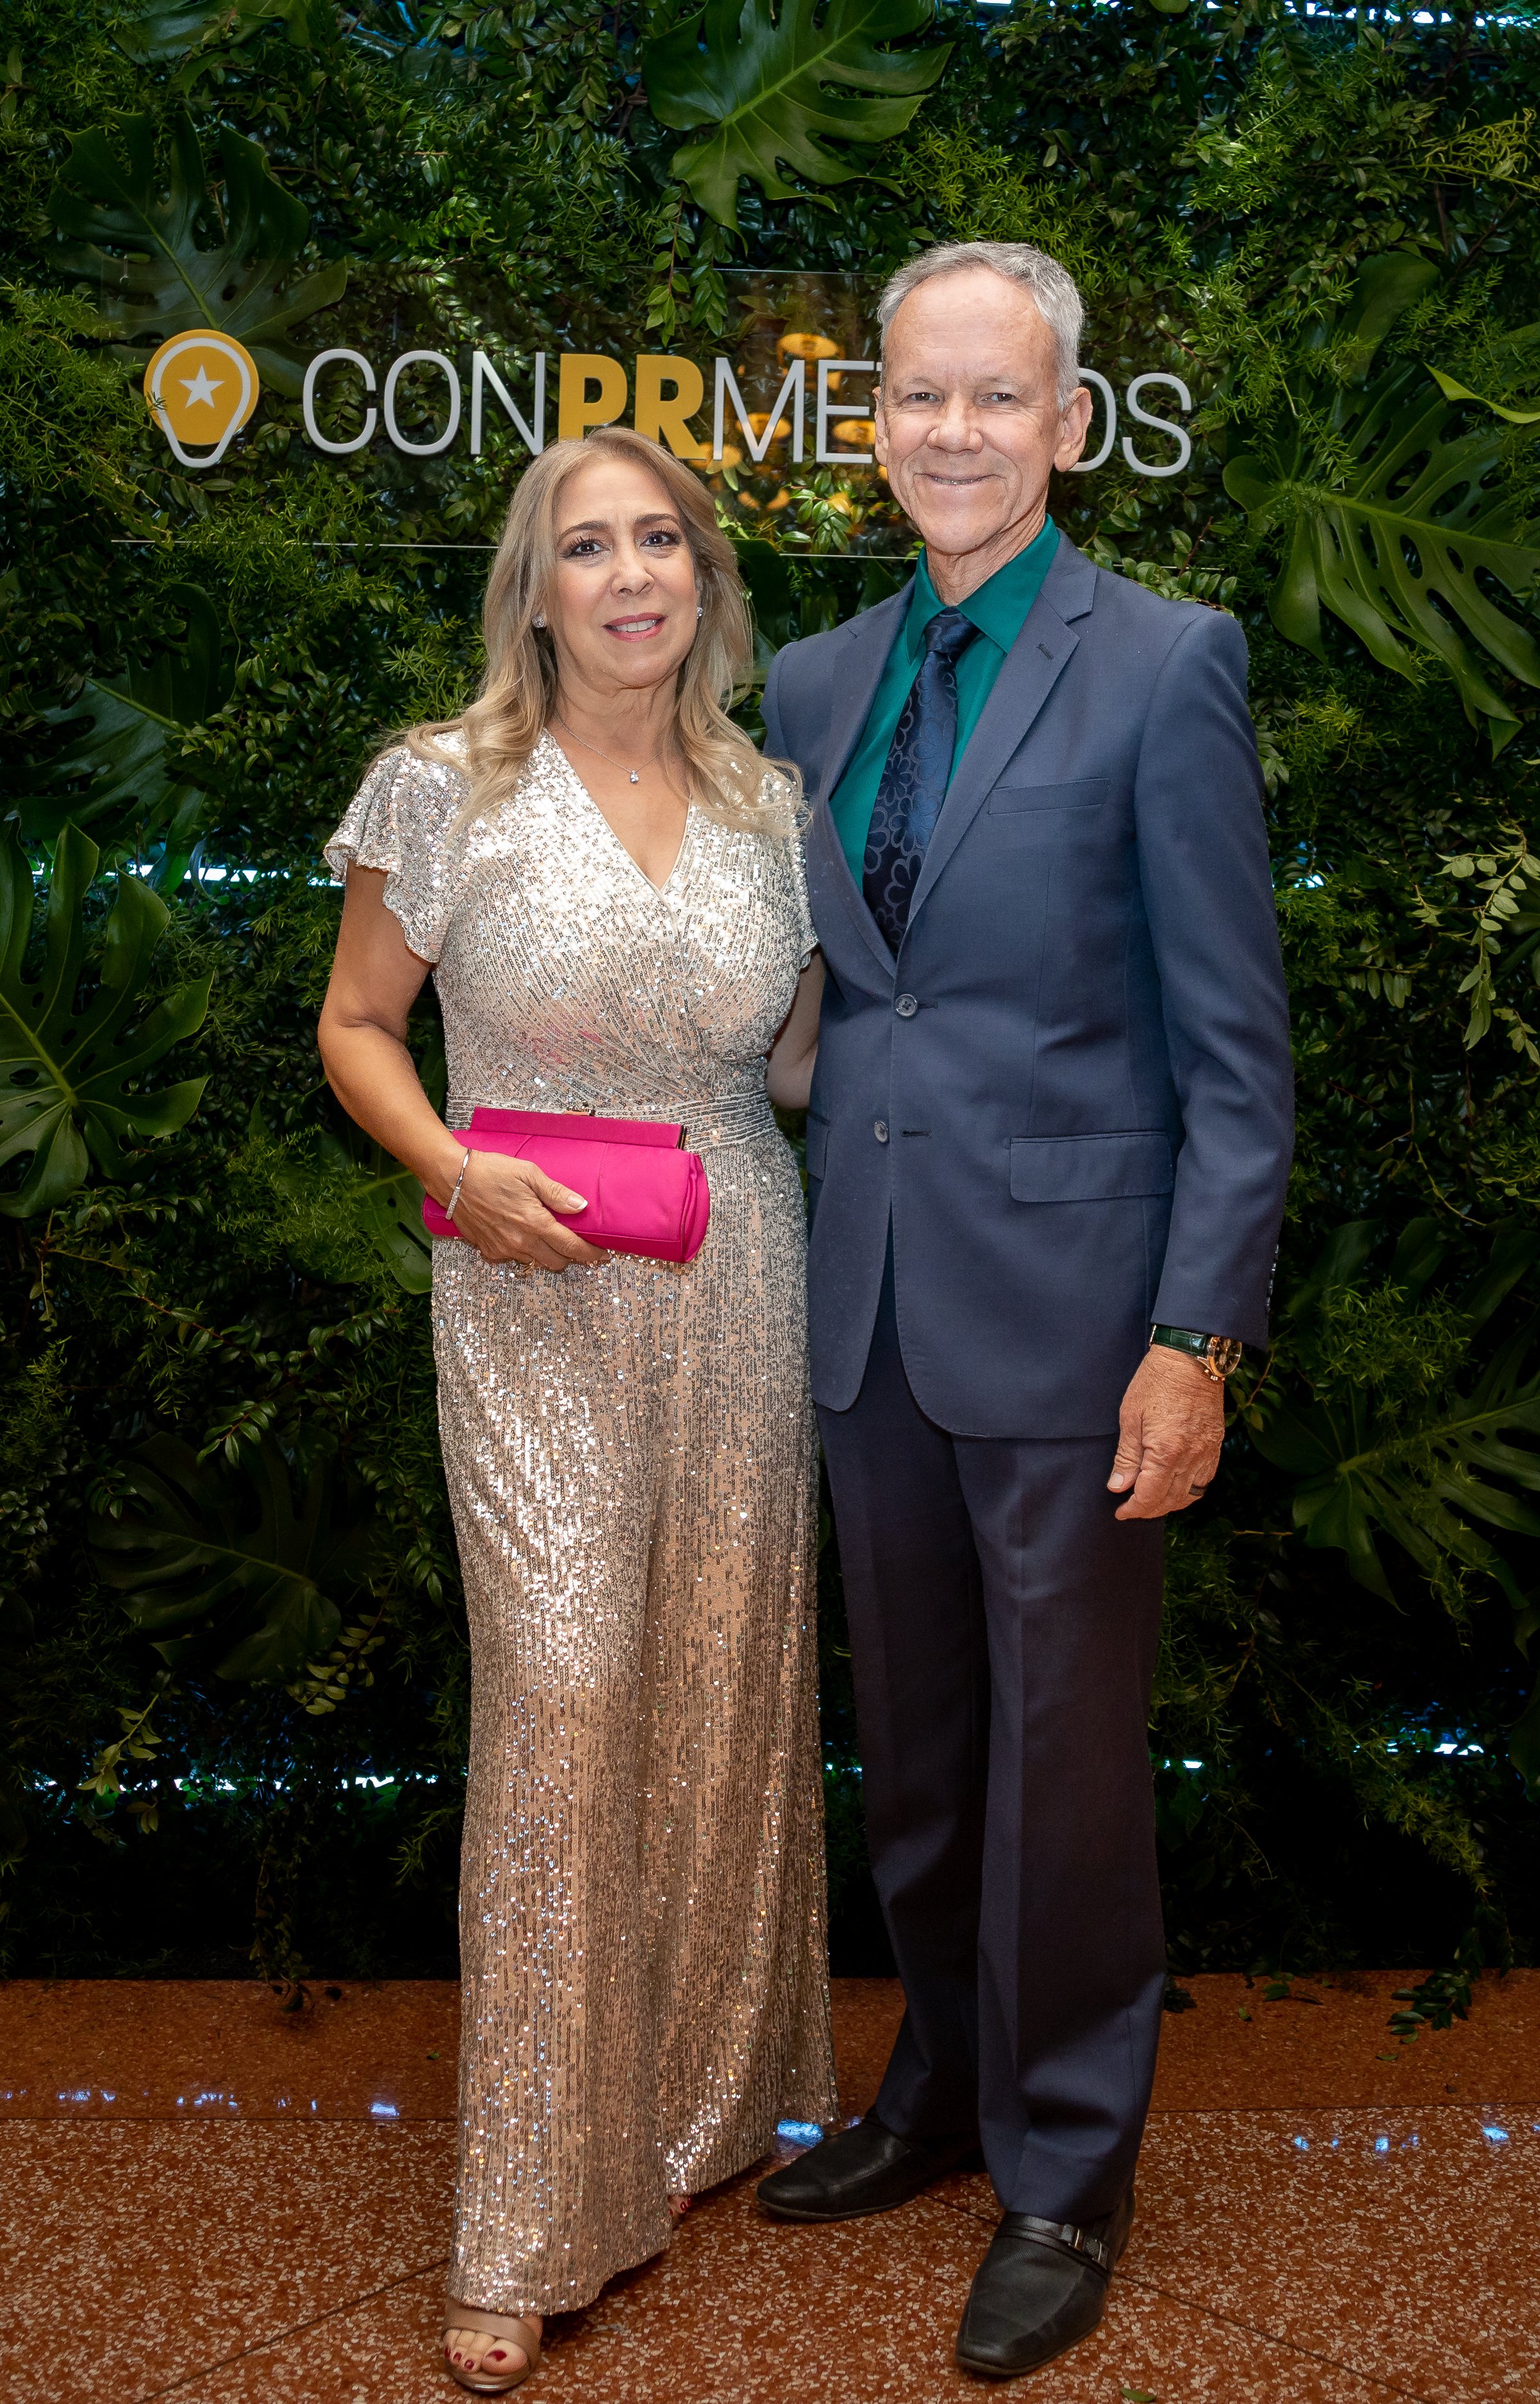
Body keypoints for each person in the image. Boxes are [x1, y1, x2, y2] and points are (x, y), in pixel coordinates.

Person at [754, 241, 1295, 2378]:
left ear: (1069, 424)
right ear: (869, 422)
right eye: (916, 395)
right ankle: (941, 2089)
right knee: (917, 1753)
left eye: (995, 397)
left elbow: (1234, 1053)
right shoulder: (812, 684)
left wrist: (1196, 1339)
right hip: (867, 1306)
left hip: (1081, 1324)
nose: (952, 432)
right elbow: (822, 1010)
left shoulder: (1164, 665)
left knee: (1063, 1766)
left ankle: (1065, 2167)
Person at [318, 424, 836, 2394]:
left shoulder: (772, 804)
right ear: (531, 591)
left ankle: (692, 2119)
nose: (630, 576)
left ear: (705, 576)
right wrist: (450, 1167)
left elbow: (794, 1071)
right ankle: (529, 2212)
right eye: (587, 546)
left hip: (740, 1284)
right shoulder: (443, 782)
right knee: (562, 1707)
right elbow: (357, 1023)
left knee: (715, 1699)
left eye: (661, 542)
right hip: (530, 1296)